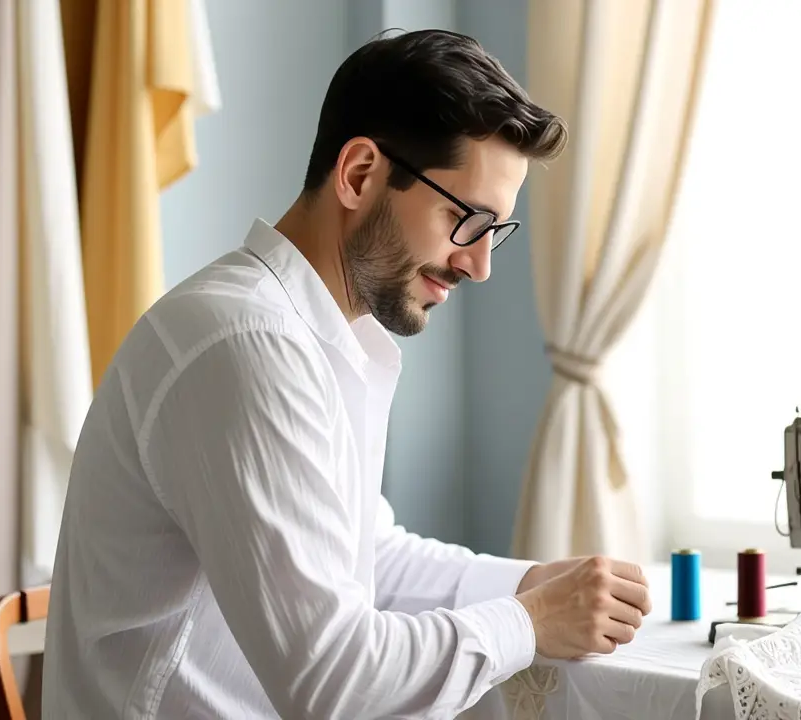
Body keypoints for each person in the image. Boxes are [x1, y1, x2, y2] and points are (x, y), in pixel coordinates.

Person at [41, 28, 652, 719]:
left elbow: (368, 559)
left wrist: (532, 584)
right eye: (466, 219)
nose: (479, 264)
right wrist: (532, 620)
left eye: (494, 231)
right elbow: (333, 685)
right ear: (360, 173)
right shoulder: (247, 346)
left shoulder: (314, 334)